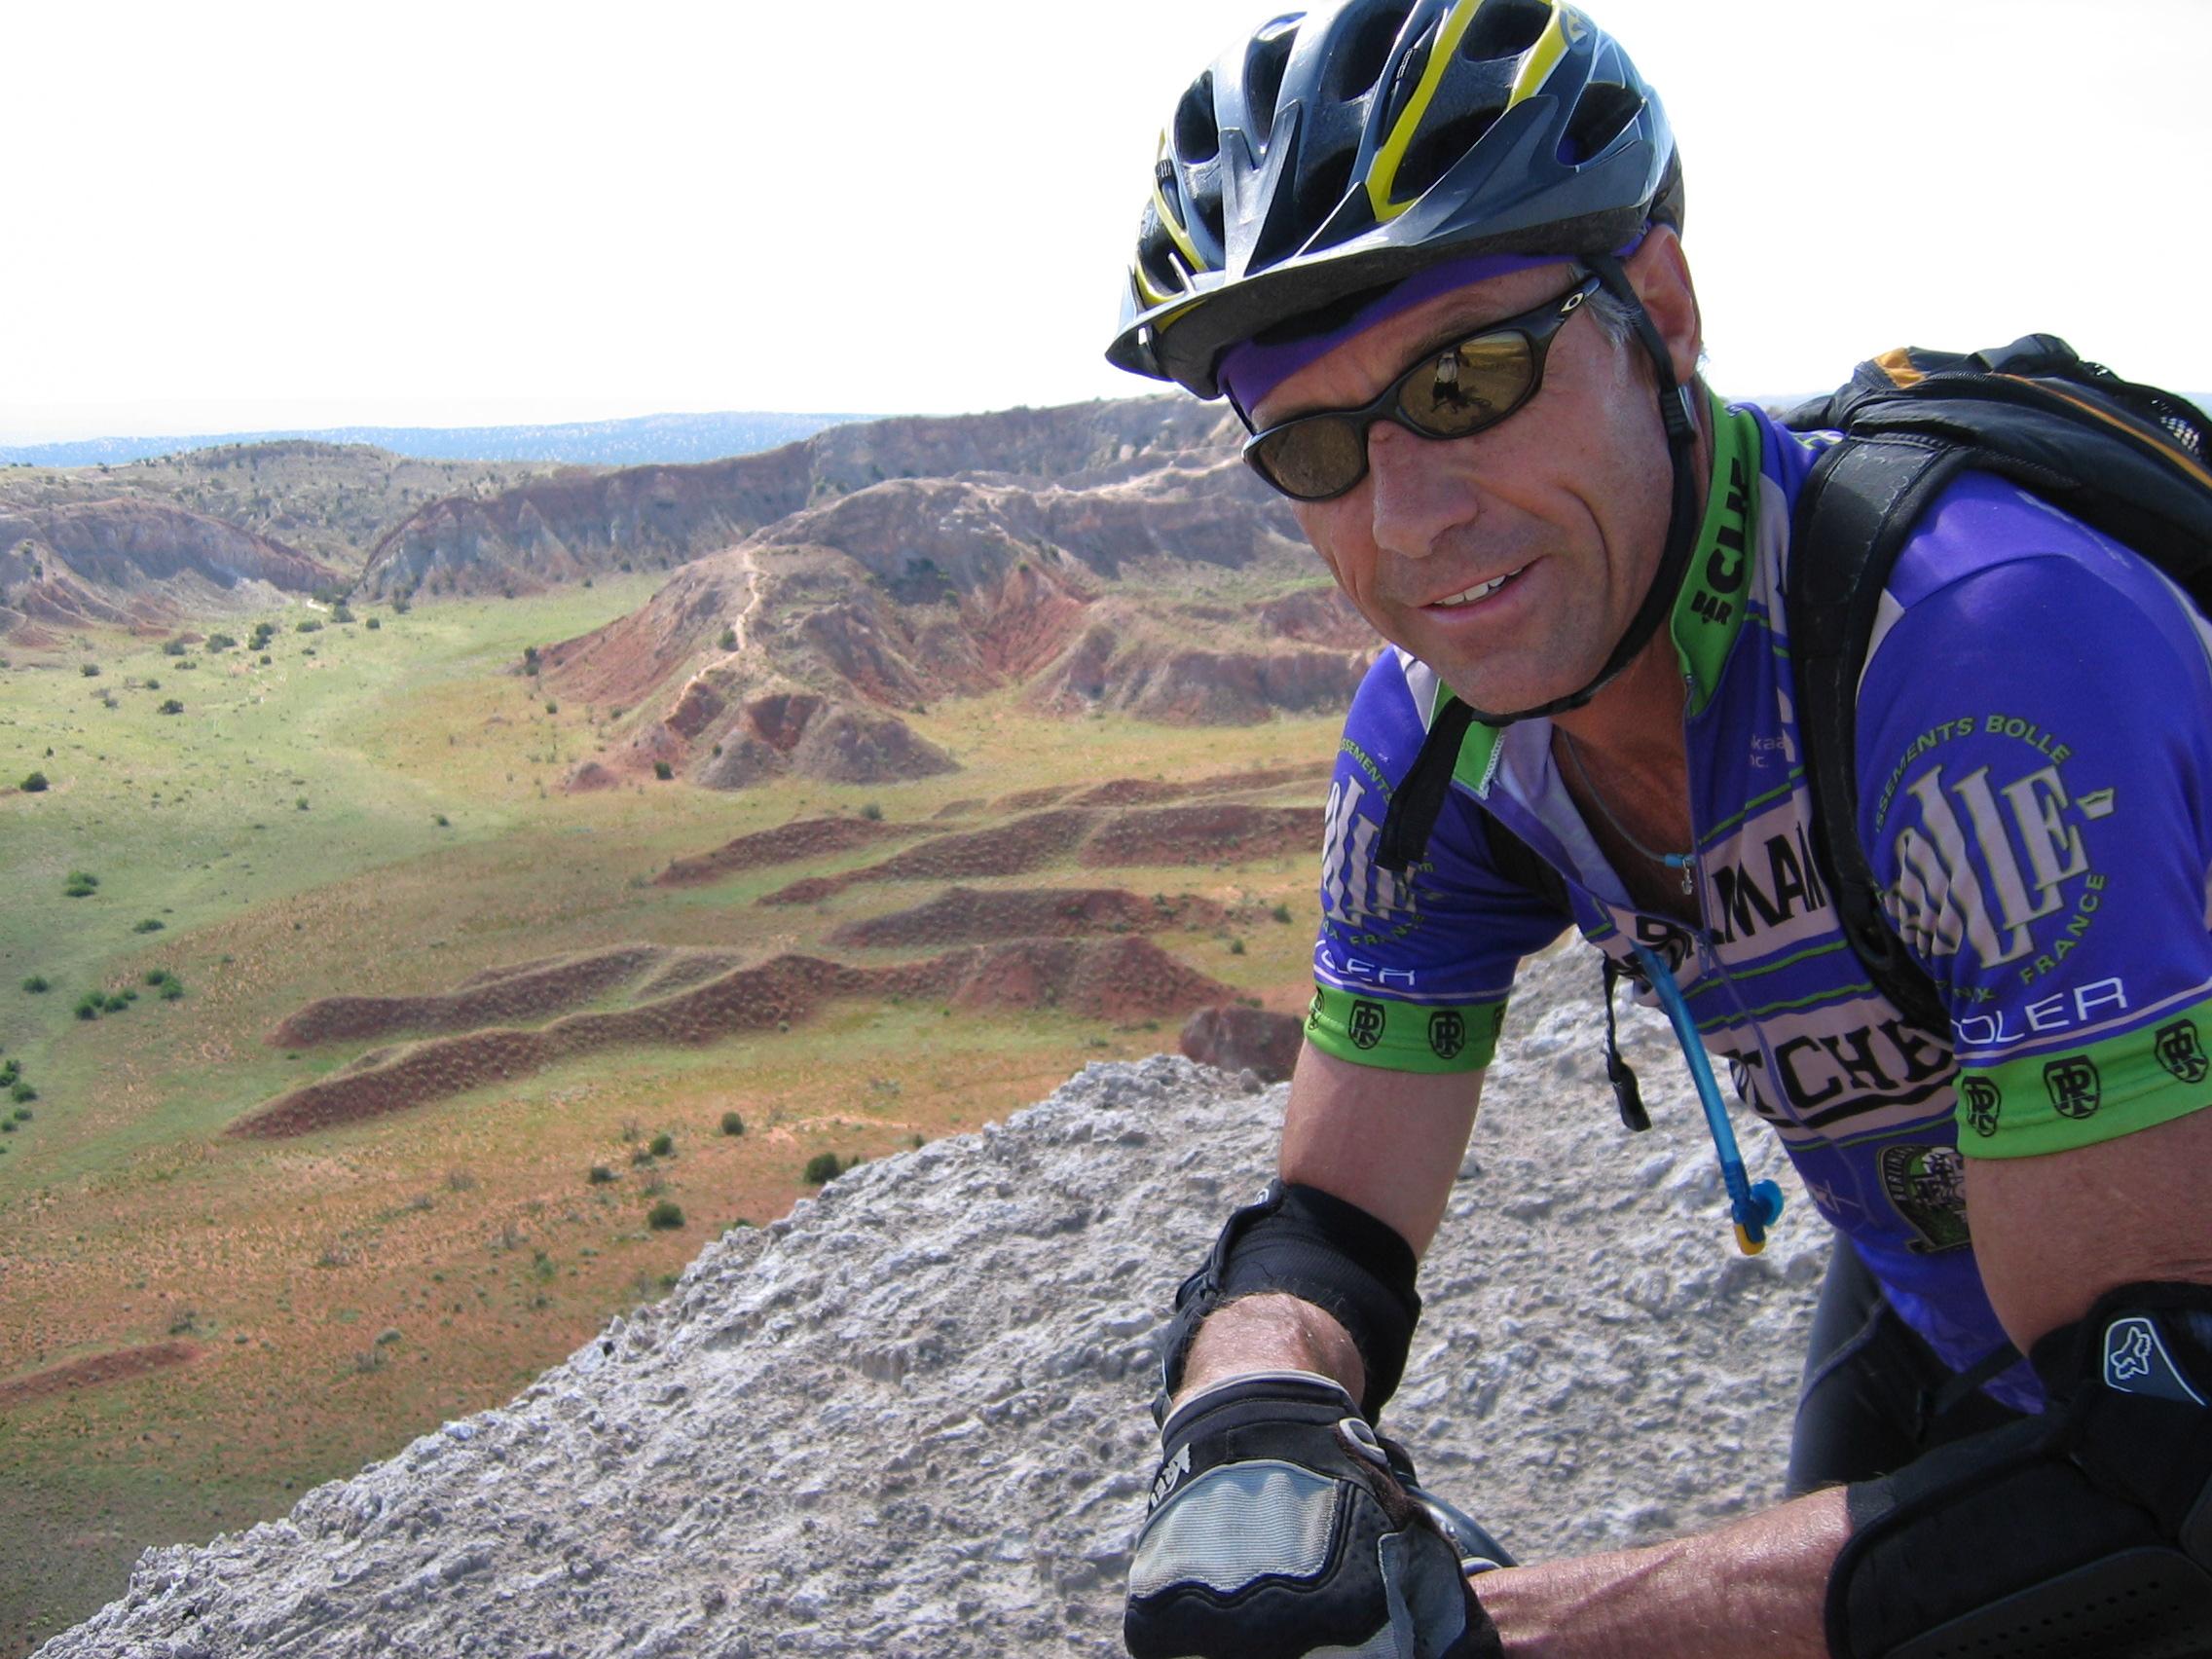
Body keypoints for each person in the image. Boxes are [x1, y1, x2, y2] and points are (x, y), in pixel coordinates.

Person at [1102, 3, 2212, 1655]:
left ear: (1663, 315)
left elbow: (2159, 1455)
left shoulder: (1980, 655)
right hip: (1947, 1284)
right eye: (1318, 446)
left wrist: (1506, 1632)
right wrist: (1248, 1424)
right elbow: (1333, 1226)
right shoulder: (1440, 734)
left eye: (1468, 379)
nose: (1410, 521)